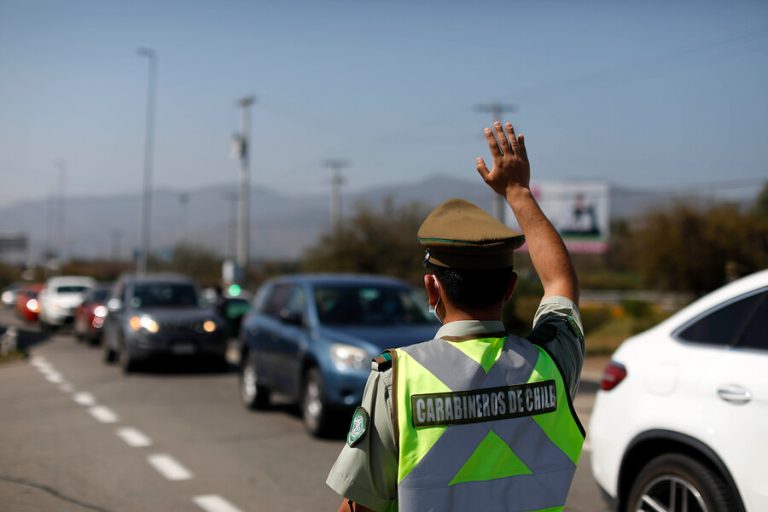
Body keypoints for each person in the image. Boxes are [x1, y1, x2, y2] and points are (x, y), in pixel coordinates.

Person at [326, 121, 585, 512]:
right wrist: (518, 192)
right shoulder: (551, 363)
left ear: (432, 289)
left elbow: (361, 507)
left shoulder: (398, 378)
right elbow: (560, 282)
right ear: (510, 288)